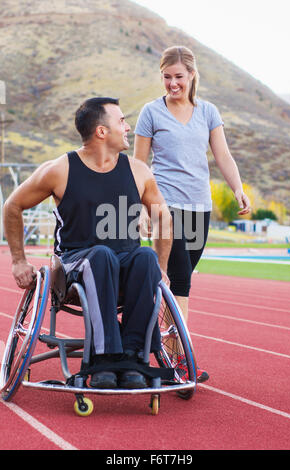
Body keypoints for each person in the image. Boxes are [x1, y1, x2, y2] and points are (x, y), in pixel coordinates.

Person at [3, 97, 173, 390]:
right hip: (74, 262)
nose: (128, 126)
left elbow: (163, 219)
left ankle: (134, 358)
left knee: (145, 258)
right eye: (121, 121)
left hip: (125, 263)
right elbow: (12, 205)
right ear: (101, 131)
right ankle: (105, 357)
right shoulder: (60, 169)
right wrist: (19, 260)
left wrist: (162, 267)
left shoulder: (138, 171)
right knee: (101, 255)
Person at [134, 46, 251, 382]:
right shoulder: (151, 113)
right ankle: (180, 363)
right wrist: (142, 208)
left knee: (174, 285)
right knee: (181, 280)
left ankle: (162, 351)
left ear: (192, 75)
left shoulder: (208, 112)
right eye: (167, 77)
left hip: (200, 208)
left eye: (179, 77)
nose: (172, 83)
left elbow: (223, 155)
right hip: (164, 206)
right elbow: (139, 166)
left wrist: (238, 188)